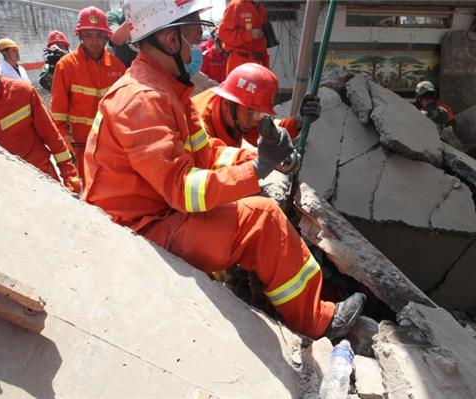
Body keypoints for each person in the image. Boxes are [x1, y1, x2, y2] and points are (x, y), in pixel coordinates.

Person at [82, 0, 365, 340]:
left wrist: (258, 160)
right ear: (171, 41)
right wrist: (257, 170)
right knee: (262, 219)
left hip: (154, 212)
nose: (196, 47)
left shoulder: (168, 90)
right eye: (193, 35)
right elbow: (183, 190)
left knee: (257, 210)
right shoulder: (143, 99)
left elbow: (207, 152)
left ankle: (296, 310)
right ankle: (318, 322)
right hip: (139, 227)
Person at [0, 25, 81, 193]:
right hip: (3, 193)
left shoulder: (23, 93)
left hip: (43, 184)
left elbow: (54, 139)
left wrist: (71, 177)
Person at [51, 6, 126, 183]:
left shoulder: (118, 68)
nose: (94, 41)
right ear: (80, 36)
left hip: (110, 146)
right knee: (88, 193)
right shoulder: (66, 66)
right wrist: (67, 147)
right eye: (88, 35)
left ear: (107, 37)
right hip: (80, 147)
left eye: (99, 35)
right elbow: (58, 114)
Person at [193, 63, 321, 148]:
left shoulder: (241, 113)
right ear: (228, 104)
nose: (255, 120)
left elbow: (269, 130)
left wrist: (298, 122)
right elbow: (212, 165)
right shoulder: (198, 124)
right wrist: (257, 165)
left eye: (259, 113)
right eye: (251, 113)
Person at [218, 0, 269, 75]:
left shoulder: (261, 8)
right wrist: (249, 34)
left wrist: (266, 65)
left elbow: (262, 42)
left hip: (257, 63)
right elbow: (224, 34)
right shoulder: (235, 6)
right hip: (239, 62)